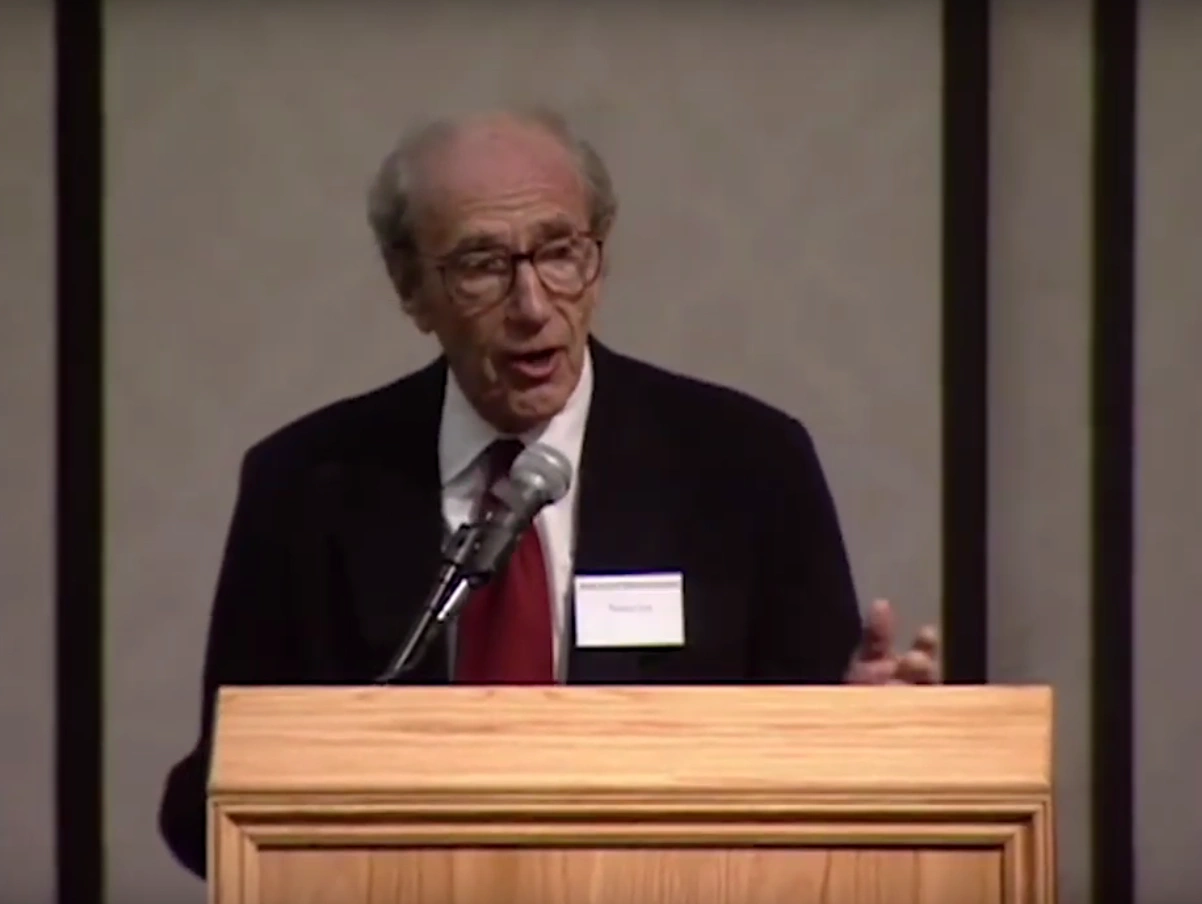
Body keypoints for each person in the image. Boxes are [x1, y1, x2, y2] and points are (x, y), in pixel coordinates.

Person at [158, 106, 941, 878]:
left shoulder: (748, 466)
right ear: (409, 287)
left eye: (559, 253)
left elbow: (816, 782)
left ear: (597, 260)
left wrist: (862, 737)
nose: (532, 307)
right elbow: (210, 813)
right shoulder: (305, 485)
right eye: (481, 265)